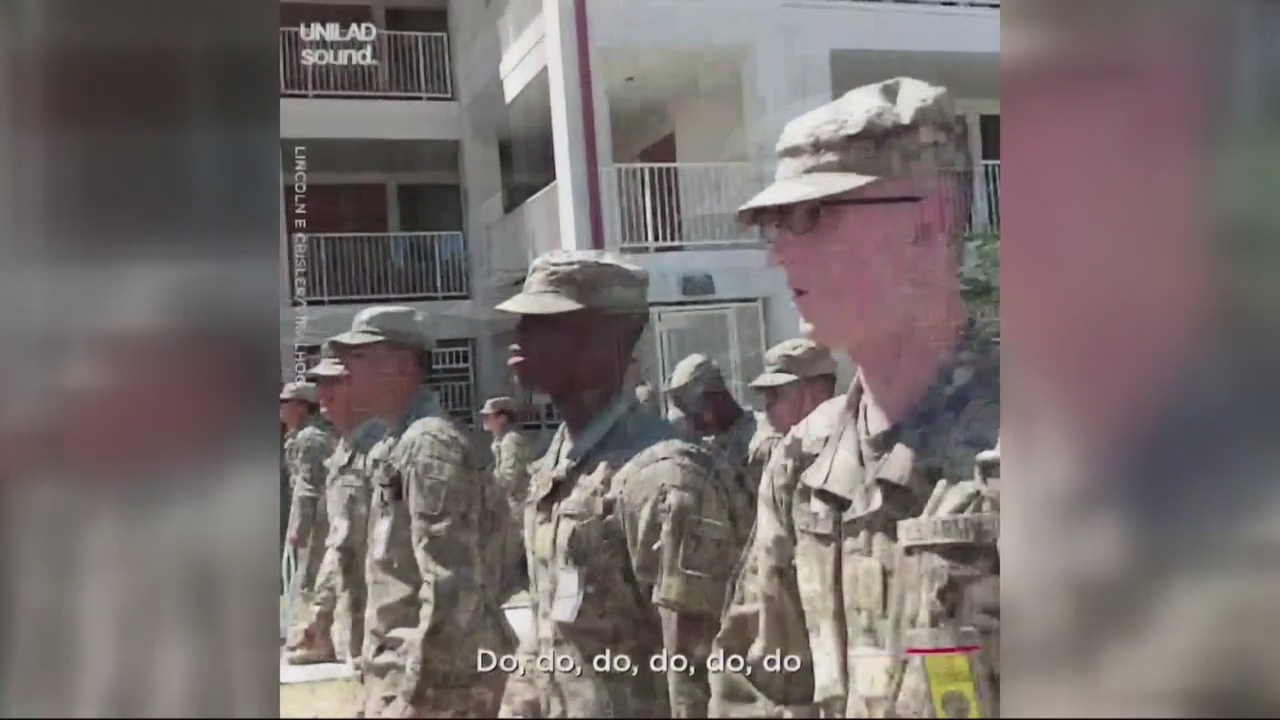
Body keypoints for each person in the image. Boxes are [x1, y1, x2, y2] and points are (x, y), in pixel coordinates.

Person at [734, 77, 1000, 717]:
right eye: (774, 223)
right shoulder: (803, 463)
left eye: (812, 216)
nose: (780, 253)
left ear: (929, 219)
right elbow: (758, 690)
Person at [494, 251, 742, 717]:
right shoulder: (558, 465)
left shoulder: (663, 476)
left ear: (601, 340)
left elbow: (703, 674)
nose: (518, 336)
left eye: (543, 321)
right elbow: (553, 629)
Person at [329, 306, 515, 718]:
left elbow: (450, 585)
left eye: (358, 358)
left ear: (400, 365)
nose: (344, 371)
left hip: (440, 686)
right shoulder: (398, 443)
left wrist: (418, 695)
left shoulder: (429, 446)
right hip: (403, 676)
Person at [709, 337, 839, 718]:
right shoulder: (797, 453)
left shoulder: (798, 456)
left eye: (775, 398)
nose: (766, 412)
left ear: (811, 393)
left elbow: (772, 587)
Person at [286, 353, 387, 667]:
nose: (325, 393)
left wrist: (298, 529)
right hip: (341, 545)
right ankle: (324, 635)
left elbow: (308, 489)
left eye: (335, 383)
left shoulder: (372, 443)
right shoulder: (343, 443)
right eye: (321, 385)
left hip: (356, 550)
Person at [663, 354, 761, 542]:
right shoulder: (707, 448)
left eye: (695, 414)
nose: (694, 424)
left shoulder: (760, 437)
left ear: (714, 398)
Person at [281, 380, 338, 642]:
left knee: (312, 578)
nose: (280, 409)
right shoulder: (300, 436)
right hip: (319, 513)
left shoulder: (309, 439)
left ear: (303, 407)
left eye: (286, 404)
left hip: (321, 517)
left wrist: (298, 530)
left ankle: (315, 633)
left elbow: (309, 488)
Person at [480, 395, 535, 599]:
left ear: (502, 418)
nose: (485, 421)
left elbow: (508, 478)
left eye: (489, 416)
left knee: (510, 559)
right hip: (509, 508)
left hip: (517, 508)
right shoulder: (501, 441)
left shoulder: (511, 441)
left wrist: (486, 483)